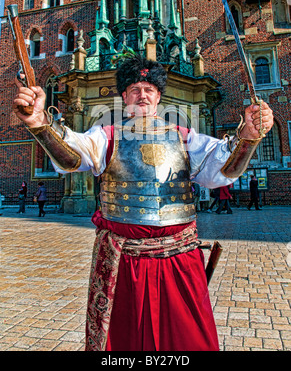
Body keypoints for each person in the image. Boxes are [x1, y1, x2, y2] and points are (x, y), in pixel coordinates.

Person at [12, 52, 273, 351]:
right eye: (135, 89)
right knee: (125, 340)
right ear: (124, 96)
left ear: (159, 96)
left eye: (149, 90)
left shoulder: (185, 137)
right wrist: (41, 125)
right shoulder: (106, 135)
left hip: (179, 259)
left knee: (188, 339)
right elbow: (72, 155)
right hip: (124, 261)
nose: (142, 95)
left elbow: (223, 170)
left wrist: (249, 138)